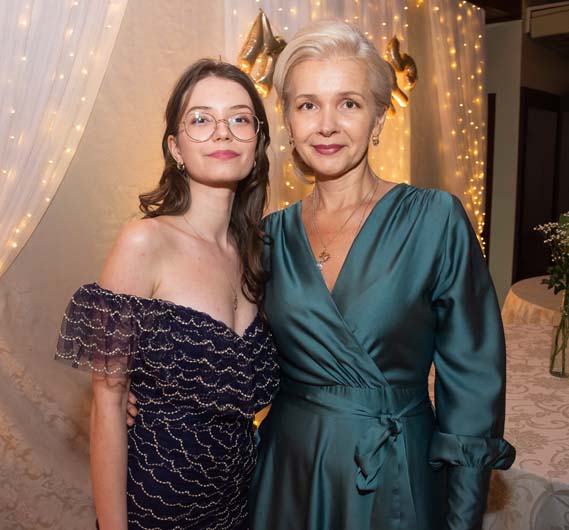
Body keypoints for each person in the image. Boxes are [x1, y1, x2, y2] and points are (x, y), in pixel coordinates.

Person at [246, 21, 515, 530]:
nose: (327, 125)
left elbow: (473, 389)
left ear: (377, 118)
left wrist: (462, 518)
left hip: (393, 475)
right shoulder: (268, 237)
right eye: (308, 105)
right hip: (287, 473)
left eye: (348, 103)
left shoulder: (434, 220)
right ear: (288, 122)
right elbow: (238, 356)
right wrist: (150, 392)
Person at [55, 58, 279, 530]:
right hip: (153, 509)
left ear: (257, 143)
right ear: (176, 147)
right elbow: (108, 406)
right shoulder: (144, 242)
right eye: (201, 119)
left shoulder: (259, 254)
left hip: (240, 507)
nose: (222, 132)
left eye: (240, 119)